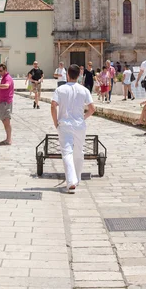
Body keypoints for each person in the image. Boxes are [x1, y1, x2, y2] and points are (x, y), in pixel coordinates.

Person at [51, 64, 96, 193]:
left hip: (65, 124)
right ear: (78, 75)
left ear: (67, 75)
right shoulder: (84, 90)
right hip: (79, 125)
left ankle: (71, 181)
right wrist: (84, 117)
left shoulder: (60, 89)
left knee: (67, 153)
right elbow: (92, 109)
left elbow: (53, 105)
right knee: (78, 152)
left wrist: (56, 122)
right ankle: (77, 178)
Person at [0, 63, 14, 146]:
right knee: (4, 121)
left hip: (6, 102)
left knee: (6, 121)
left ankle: (9, 140)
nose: (0, 73)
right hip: (2, 102)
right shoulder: (4, 78)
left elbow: (6, 86)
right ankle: (7, 139)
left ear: (5, 70)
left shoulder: (7, 78)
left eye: (1, 71)